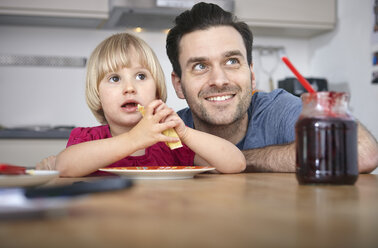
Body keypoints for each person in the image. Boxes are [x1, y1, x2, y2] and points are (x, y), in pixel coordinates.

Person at [165, 2, 378, 173]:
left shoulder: (278, 110)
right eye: (200, 66)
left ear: (252, 74)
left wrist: (233, 161)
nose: (219, 80)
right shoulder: (167, 135)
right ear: (179, 84)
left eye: (231, 61)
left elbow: (362, 152)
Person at [37, 32, 245, 177]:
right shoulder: (88, 139)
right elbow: (64, 166)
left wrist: (186, 134)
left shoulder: (171, 143)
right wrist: (135, 139)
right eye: (115, 79)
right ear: (97, 96)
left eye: (140, 76)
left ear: (156, 90)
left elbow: (236, 164)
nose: (129, 88)